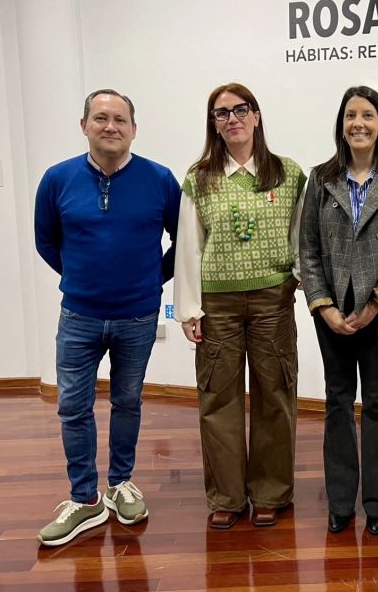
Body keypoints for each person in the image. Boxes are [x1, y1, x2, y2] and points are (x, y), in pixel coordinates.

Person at [34, 88, 180, 546]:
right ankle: (84, 498)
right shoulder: (57, 179)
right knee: (72, 406)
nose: (110, 126)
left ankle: (120, 484)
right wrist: (79, 276)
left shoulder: (160, 179)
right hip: (78, 315)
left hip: (138, 315)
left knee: (128, 401)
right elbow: (46, 241)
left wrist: (151, 279)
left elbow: (183, 241)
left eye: (120, 119)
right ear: (84, 126)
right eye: (100, 118)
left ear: (134, 129)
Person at [174, 83, 306, 530]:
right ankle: (227, 496)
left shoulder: (288, 173)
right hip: (218, 305)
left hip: (273, 300)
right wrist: (189, 309)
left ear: (256, 116)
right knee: (218, 399)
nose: (232, 119)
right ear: (214, 124)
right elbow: (189, 246)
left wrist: (298, 284)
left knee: (275, 396)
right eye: (221, 113)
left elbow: (300, 236)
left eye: (240, 109)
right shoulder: (200, 177)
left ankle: (270, 492)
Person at [300, 85, 378, 536]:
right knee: (336, 401)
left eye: (367, 115)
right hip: (331, 312)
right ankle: (340, 502)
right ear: (341, 124)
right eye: (351, 115)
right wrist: (323, 306)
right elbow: (308, 249)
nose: (358, 124)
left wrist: (375, 303)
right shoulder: (321, 178)